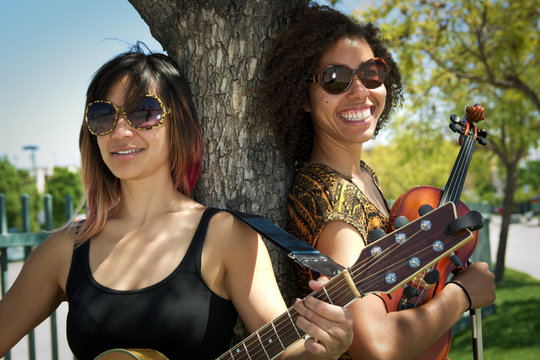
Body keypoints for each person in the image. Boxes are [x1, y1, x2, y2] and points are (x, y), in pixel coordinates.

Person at [0, 45, 354, 359]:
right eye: (104, 115)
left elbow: (284, 351)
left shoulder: (227, 236)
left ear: (179, 124)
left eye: (143, 113)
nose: (121, 131)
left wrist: (322, 351)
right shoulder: (64, 250)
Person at [259, 4, 496, 360]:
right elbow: (376, 346)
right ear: (302, 96)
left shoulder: (363, 176)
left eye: (371, 73)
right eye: (335, 78)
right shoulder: (330, 198)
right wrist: (461, 294)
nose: (360, 91)